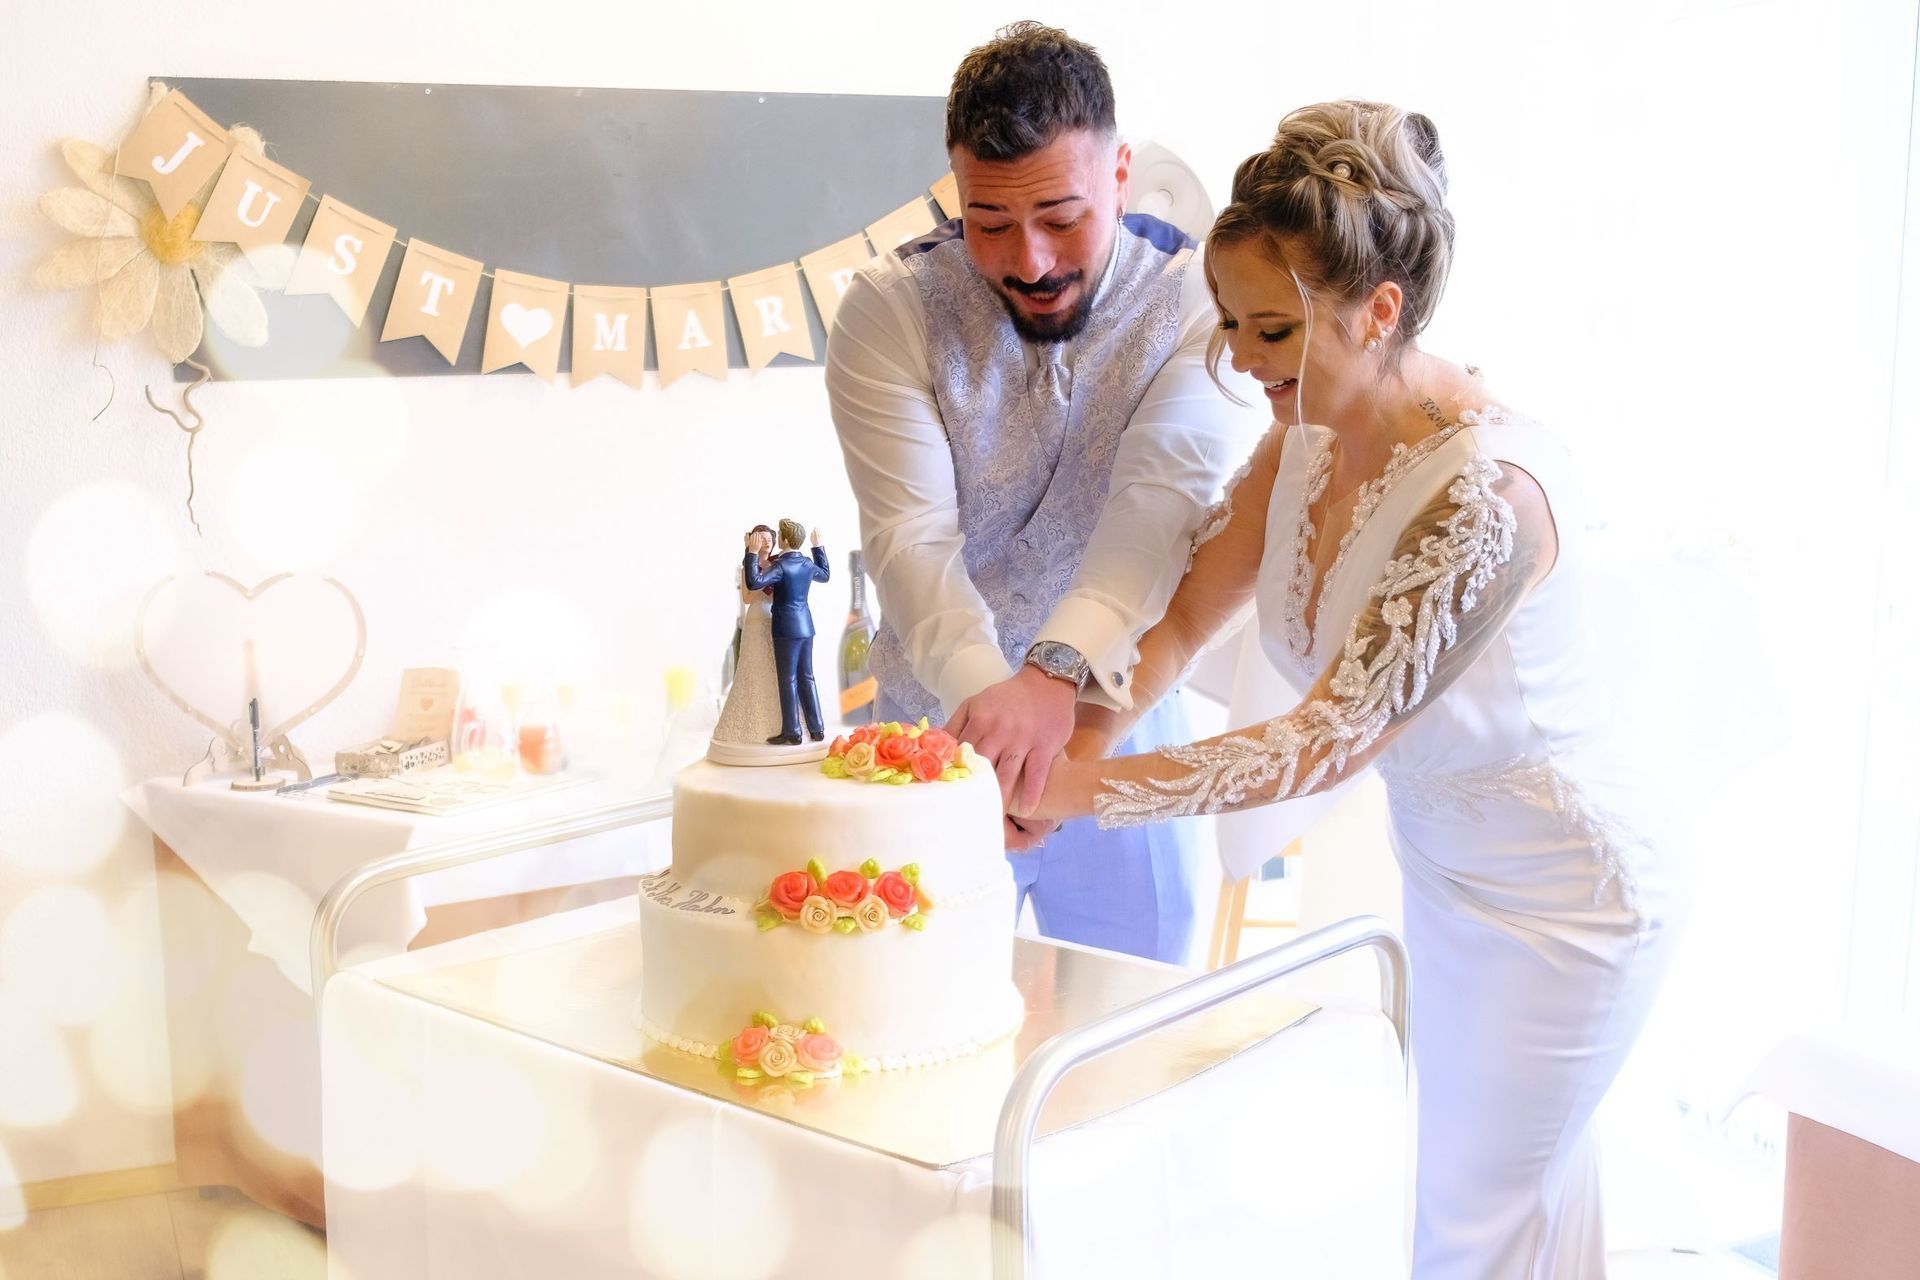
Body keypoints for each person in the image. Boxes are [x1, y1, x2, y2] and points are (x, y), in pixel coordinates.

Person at [1021, 101, 1683, 1277]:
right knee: (1475, 1190)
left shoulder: (1490, 496)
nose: (1242, 359)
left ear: (1380, 310)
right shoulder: (1305, 435)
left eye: (1273, 328)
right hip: (1446, 867)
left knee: (1469, 1216)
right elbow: (1181, 619)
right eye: (1231, 324)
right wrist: (1075, 741)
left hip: (1569, 898)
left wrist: (1078, 795)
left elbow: (1323, 741)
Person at [825, 22, 1264, 963]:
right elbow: (909, 537)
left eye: (1062, 218)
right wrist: (997, 725)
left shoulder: (1200, 299)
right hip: (935, 725)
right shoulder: (887, 308)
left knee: (1134, 1010)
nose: (1029, 260)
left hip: (1118, 716)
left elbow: (1158, 502)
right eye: (990, 223)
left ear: (1120, 175)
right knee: (912, 1007)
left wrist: (1054, 682)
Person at [745, 519, 830, 746]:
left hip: (786, 628)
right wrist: (818, 547)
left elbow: (754, 582)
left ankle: (792, 732)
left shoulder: (780, 566)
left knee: (788, 679)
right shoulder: (807, 563)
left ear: (783, 539)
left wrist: (751, 553)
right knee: (807, 677)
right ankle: (817, 728)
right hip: (806, 626)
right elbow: (825, 574)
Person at [712, 524, 780, 748]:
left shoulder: (778, 564)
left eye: (770, 539)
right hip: (756, 619)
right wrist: (758, 579)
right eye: (763, 539)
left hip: (775, 618)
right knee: (754, 665)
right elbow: (747, 598)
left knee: (774, 668)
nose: (767, 543)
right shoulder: (748, 567)